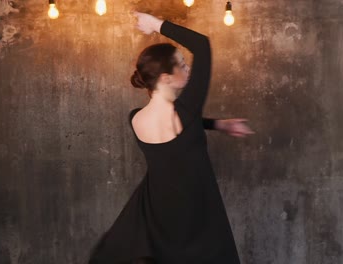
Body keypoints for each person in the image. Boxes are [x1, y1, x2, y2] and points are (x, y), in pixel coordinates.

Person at [88, 12, 253, 264]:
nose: (188, 68)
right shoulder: (185, 113)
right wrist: (155, 25)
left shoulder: (135, 119)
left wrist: (218, 123)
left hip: (158, 213)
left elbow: (181, 136)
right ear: (166, 78)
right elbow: (202, 44)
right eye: (182, 64)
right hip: (196, 211)